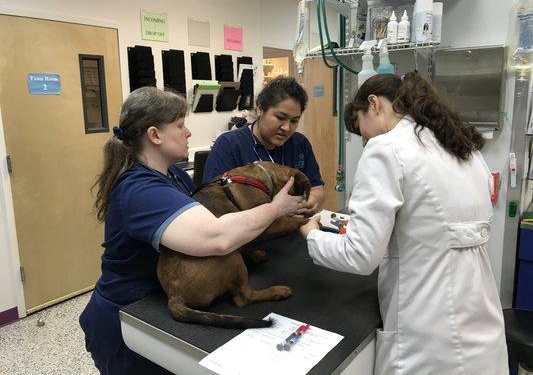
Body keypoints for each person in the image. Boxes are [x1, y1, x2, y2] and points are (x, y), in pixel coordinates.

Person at [79, 87, 307, 375]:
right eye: (180, 125)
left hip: (159, 303)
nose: (188, 133)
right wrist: (277, 208)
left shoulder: (172, 174)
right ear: (154, 136)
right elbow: (217, 237)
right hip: (128, 318)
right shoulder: (140, 190)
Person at [300, 73, 508, 375]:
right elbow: (432, 224)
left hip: (428, 337)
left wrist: (312, 236)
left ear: (373, 104)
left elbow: (360, 255)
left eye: (363, 131)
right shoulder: (463, 148)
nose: (367, 141)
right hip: (482, 328)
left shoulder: (387, 148)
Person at [203, 76, 325, 216]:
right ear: (260, 108)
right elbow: (213, 204)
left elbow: (317, 188)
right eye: (280, 117)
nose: (286, 127)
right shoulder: (230, 145)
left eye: (294, 121)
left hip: (292, 227)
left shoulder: (299, 144)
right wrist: (274, 210)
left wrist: (311, 202)